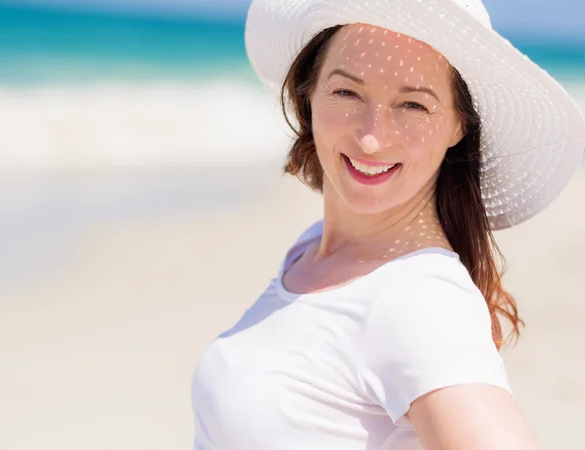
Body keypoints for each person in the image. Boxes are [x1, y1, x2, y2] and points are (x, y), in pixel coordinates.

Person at [191, 0, 585, 449]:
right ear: (309, 93)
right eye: (347, 93)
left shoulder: (419, 299)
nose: (372, 136)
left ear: (459, 124)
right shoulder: (314, 249)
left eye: (414, 105)